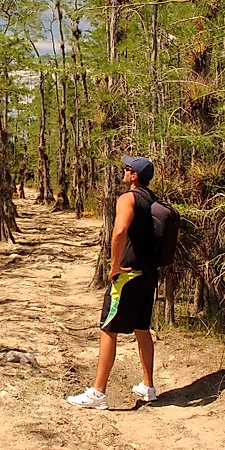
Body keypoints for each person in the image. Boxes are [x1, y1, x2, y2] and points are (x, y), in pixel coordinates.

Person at [67, 155, 159, 409]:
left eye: (127, 168)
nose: (124, 171)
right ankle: (148, 387)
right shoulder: (153, 200)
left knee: (108, 329)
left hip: (128, 274)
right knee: (142, 328)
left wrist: (114, 265)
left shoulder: (127, 198)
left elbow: (119, 231)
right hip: (149, 273)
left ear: (134, 176)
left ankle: (98, 393)